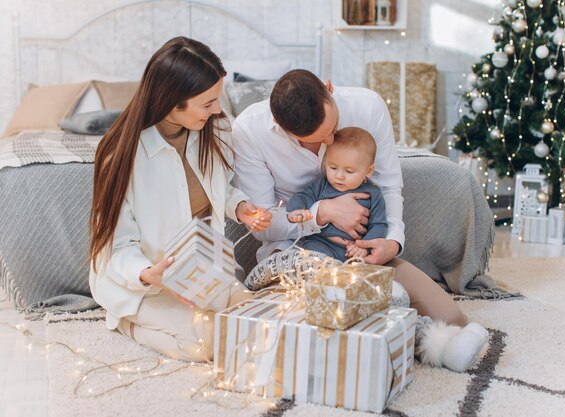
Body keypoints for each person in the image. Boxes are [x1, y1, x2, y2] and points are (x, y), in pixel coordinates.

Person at [232, 69, 488, 372]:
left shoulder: (368, 106)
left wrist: (391, 242)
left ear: (329, 88)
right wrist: (322, 213)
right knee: (336, 315)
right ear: (280, 126)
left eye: (332, 128)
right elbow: (266, 227)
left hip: (360, 255)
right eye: (313, 141)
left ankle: (439, 343)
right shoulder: (249, 130)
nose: (329, 141)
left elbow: (390, 187)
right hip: (300, 253)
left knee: (452, 319)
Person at [88, 37, 271, 363]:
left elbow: (219, 188)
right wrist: (147, 273)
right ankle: (125, 323)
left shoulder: (215, 129)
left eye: (218, 98)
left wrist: (240, 208)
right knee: (215, 343)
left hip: (202, 271)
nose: (218, 109)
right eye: (207, 102)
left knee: (260, 321)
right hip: (141, 283)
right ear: (173, 103)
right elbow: (117, 246)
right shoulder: (121, 155)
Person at [286, 127, 387, 261]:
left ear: (368, 171)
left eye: (349, 171)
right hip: (321, 243)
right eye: (333, 167)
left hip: (354, 250)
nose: (339, 176)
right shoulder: (322, 185)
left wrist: (364, 246)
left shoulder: (373, 194)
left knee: (363, 270)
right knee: (315, 259)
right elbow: (303, 196)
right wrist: (296, 210)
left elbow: (379, 225)